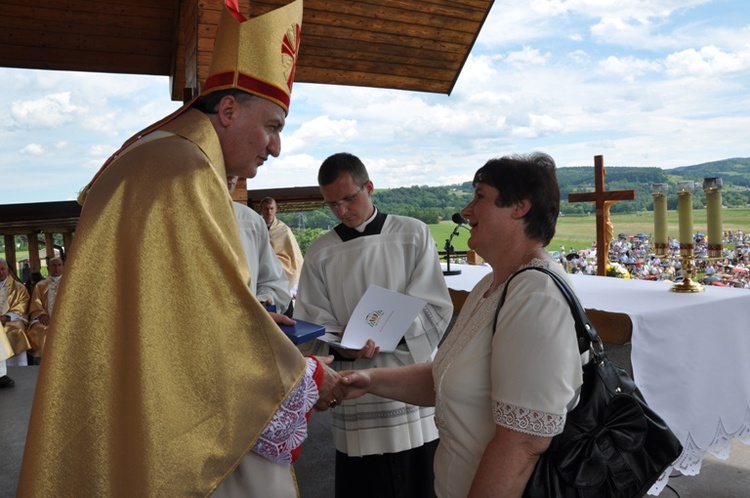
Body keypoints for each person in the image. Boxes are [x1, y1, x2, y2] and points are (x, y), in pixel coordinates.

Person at [18, 2, 346, 496]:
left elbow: (181, 310)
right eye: (273, 126)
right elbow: (209, 339)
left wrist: (254, 318)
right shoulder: (187, 174)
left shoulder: (163, 156)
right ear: (229, 110)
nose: (276, 147)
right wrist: (307, 373)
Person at [341, 153, 585, 497]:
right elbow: (446, 378)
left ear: (519, 208)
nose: (467, 211)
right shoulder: (492, 285)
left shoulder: (536, 296)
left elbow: (524, 443)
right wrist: (366, 380)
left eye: (480, 196)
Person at [294, 152, 454, 498]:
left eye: (349, 198)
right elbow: (310, 320)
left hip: (408, 386)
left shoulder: (412, 234)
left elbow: (436, 306)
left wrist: (387, 336)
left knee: (420, 482)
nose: (342, 211)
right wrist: (340, 345)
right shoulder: (321, 251)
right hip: (355, 391)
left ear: (369, 187)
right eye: (332, 204)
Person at [227, 176, 291, 314]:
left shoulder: (250, 221)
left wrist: (264, 302)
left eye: (271, 208)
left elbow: (271, 280)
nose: (231, 175)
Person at [260, 196, 304, 292]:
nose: (269, 212)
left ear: (276, 210)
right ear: (261, 210)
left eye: (271, 208)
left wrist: (273, 260)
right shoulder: (255, 227)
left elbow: (294, 255)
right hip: (260, 270)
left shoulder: (284, 230)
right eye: (266, 209)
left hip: (281, 270)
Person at [25, 257, 64, 362]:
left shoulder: (70, 284)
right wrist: (41, 314)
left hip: (66, 320)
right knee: (43, 332)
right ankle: (45, 364)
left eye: (59, 265)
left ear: (63, 267)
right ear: (48, 268)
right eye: (53, 265)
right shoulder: (40, 285)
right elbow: (35, 304)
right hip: (45, 320)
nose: (57, 268)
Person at [1, 257, 31, 387]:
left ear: (8, 270)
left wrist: (7, 317)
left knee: (15, 330)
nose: (0, 272)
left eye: (2, 269)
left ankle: (17, 369)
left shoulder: (18, 287)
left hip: (12, 319)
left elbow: (22, 305)